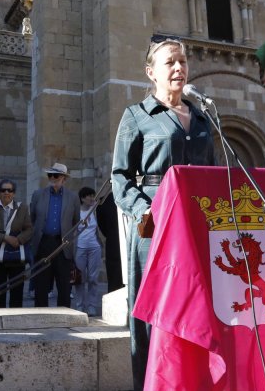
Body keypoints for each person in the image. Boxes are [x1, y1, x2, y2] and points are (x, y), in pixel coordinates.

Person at [111, 36, 216, 390]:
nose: (178, 67)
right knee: (150, 311)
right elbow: (120, 177)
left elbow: (214, 175)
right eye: (169, 62)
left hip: (196, 226)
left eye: (182, 61)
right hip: (154, 227)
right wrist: (146, 213)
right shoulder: (136, 116)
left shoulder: (202, 119)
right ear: (150, 72)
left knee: (198, 305)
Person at [30, 163, 81, 308]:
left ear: (64, 178)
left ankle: (64, 315)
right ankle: (40, 315)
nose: (52, 178)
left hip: (63, 244)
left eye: (56, 175)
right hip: (43, 243)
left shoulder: (73, 197)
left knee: (64, 285)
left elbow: (75, 222)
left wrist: (71, 243)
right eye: (50, 175)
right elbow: (32, 218)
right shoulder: (38, 194)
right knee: (41, 284)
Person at [0, 178, 32, 308]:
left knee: (17, 291)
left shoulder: (22, 208)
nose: (7, 192)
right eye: (3, 190)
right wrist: (6, 238)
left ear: (14, 193)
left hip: (16, 254)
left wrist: (19, 239)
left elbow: (29, 228)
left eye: (10, 190)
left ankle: (15, 318)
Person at [73, 186, 104, 316]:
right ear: (82, 198)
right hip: (80, 248)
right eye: (89, 196)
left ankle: (92, 306)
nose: (92, 198)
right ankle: (79, 305)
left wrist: (101, 245)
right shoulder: (77, 212)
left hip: (94, 248)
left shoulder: (94, 210)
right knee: (79, 279)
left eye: (93, 195)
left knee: (93, 278)